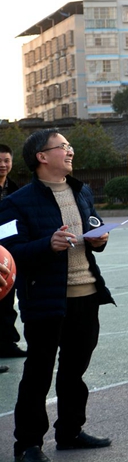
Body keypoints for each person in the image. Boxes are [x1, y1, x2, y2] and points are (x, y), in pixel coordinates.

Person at [0, 130, 113, 461]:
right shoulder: (15, 203)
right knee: (38, 373)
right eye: (63, 146)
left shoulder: (81, 191)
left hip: (87, 293)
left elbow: (94, 227)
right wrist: (47, 244)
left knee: (75, 370)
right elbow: (8, 253)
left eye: (69, 146)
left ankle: (70, 431)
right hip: (45, 298)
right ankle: (28, 444)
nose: (70, 151)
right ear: (42, 156)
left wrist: (100, 239)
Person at [0, 143, 25, 360]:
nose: (2, 165)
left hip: (9, 253)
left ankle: (7, 344)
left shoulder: (16, 191)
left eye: (6, 160)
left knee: (8, 301)